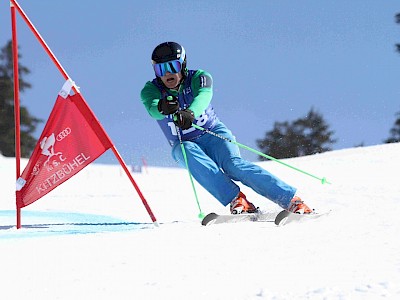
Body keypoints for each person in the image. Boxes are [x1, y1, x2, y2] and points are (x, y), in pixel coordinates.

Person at [140, 41, 312, 214]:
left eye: (173, 66)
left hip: (214, 134)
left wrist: (190, 113)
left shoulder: (199, 77)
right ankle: (238, 200)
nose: (168, 73)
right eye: (161, 69)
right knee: (185, 151)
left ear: (183, 64)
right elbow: (152, 109)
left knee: (233, 166)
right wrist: (162, 107)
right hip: (185, 143)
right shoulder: (151, 89)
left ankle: (291, 200)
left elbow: (204, 96)